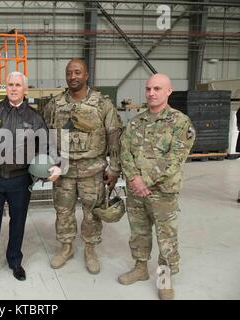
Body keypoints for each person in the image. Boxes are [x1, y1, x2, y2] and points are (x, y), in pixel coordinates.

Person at [0, 71, 61, 295]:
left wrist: (55, 164)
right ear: (5, 87)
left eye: (18, 85)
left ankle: (15, 262)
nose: (13, 88)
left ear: (25, 89)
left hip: (21, 179)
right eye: (10, 84)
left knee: (18, 223)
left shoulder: (35, 118)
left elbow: (46, 145)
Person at [118, 73, 195, 300]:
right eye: (149, 89)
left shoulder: (180, 123)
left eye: (157, 89)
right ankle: (140, 269)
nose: (152, 93)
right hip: (136, 192)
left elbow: (175, 159)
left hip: (163, 193)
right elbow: (125, 152)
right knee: (139, 233)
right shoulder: (136, 121)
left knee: (166, 237)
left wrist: (145, 181)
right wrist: (133, 178)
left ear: (169, 91)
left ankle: (164, 279)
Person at [42, 58, 122, 274]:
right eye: (69, 73)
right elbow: (46, 135)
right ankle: (66, 247)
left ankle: (90, 250)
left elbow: (114, 135)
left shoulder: (102, 104)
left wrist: (114, 168)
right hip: (64, 172)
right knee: (63, 211)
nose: (73, 77)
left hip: (93, 171)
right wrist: (49, 163)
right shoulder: (54, 105)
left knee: (92, 213)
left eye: (78, 72)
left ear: (86, 75)